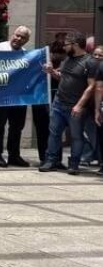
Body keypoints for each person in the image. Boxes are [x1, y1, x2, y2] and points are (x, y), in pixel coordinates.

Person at [40, 31, 98, 175]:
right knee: (54, 133)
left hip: (75, 106)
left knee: (76, 136)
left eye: (66, 44)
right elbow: (62, 78)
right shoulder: (67, 59)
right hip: (59, 103)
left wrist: (79, 105)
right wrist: (51, 72)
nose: (64, 47)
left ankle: (74, 164)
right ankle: (51, 160)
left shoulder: (90, 62)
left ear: (75, 45)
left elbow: (91, 86)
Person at [0, 25, 34, 168]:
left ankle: (14, 155)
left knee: (17, 126)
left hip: (18, 96)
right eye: (17, 35)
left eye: (23, 37)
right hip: (0, 95)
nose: (18, 39)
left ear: (26, 40)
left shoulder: (26, 54)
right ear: (12, 34)